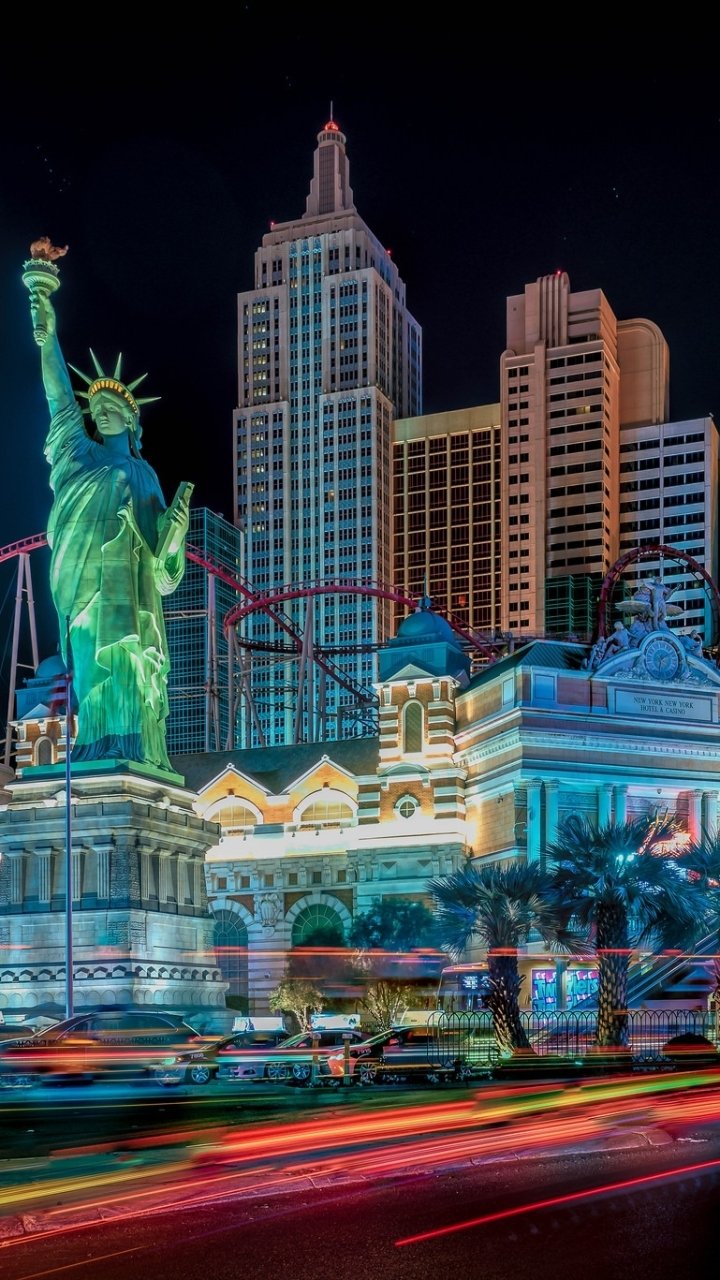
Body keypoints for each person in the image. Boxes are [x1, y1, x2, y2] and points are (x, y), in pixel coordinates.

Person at [25, 243, 192, 771]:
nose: (102, 413)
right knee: (92, 670)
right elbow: (56, 395)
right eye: (96, 409)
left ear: (132, 420)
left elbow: (165, 573)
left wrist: (176, 533)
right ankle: (95, 745)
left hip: (133, 594)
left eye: (113, 409)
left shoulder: (143, 474)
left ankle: (129, 745)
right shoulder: (79, 455)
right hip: (86, 583)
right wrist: (48, 330)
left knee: (127, 667)